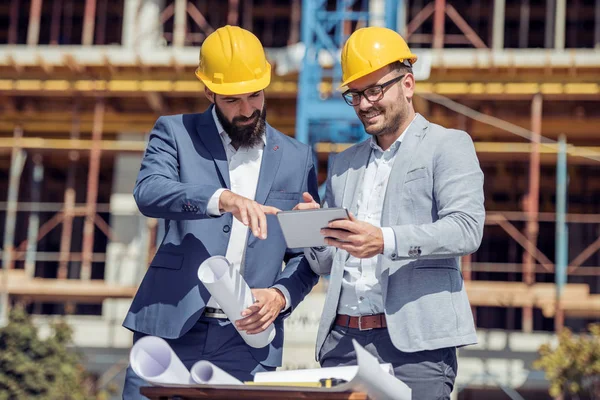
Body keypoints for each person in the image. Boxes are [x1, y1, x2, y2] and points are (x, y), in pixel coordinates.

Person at [122, 25, 319, 399]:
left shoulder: (297, 158)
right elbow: (148, 191)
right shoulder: (175, 133)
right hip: (170, 328)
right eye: (232, 99)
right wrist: (221, 198)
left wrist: (280, 295)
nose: (247, 110)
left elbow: (305, 257)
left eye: (255, 95)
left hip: (247, 344)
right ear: (209, 91)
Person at [300, 27, 485, 399]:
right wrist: (311, 228)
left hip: (415, 347)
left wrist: (385, 239)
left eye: (375, 90)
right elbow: (326, 264)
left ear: (409, 84)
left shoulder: (447, 145)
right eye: (356, 95)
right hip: (343, 342)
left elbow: (466, 229)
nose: (365, 104)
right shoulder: (343, 164)